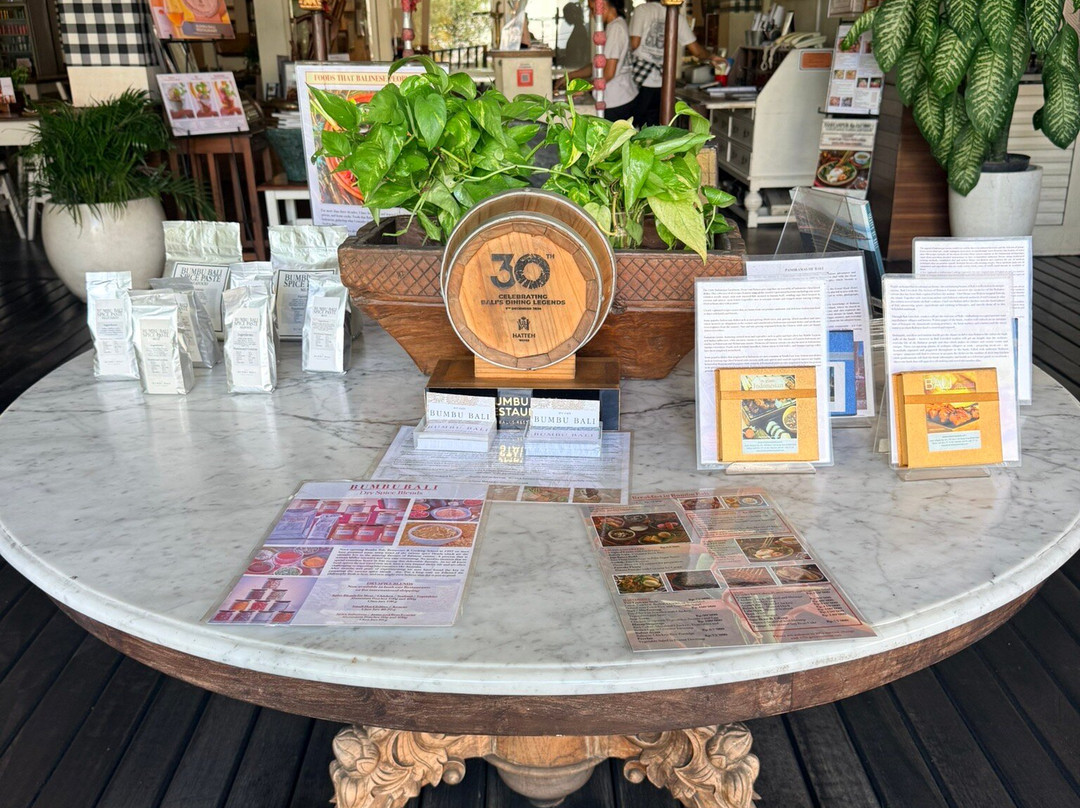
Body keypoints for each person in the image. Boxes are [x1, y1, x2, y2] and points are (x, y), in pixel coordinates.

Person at [628, 0, 723, 126]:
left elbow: (634, 43)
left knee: (633, 125)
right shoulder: (677, 17)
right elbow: (697, 51)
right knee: (656, 126)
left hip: (640, 79)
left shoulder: (642, 10)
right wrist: (712, 57)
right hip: (663, 82)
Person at [556, 0, 638, 121]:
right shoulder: (613, 26)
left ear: (602, 5)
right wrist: (569, 76)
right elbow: (597, 66)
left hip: (616, 102)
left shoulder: (616, 29)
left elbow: (608, 74)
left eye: (592, 9)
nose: (591, 15)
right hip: (617, 99)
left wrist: (582, 89)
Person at [558, 2, 590, 67]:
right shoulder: (578, 28)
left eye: (566, 15)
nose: (565, 18)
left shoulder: (579, 31)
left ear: (572, 15)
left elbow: (577, 57)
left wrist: (562, 59)